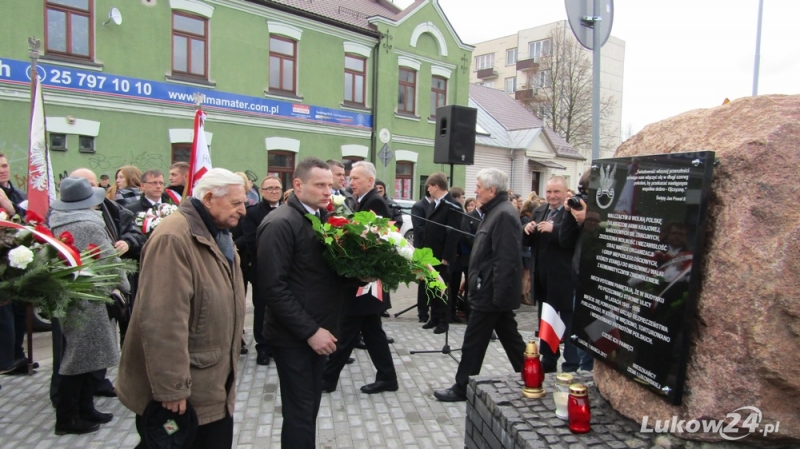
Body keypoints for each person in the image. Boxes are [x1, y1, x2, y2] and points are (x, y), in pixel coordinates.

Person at [116, 168, 247, 449]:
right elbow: (162, 321)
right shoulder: (174, 238)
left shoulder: (218, 233)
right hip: (184, 394)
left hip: (210, 385)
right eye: (237, 203)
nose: (244, 210)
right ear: (210, 198)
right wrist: (171, 389)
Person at [256, 157, 357, 449]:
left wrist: (358, 275)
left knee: (308, 407)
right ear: (298, 185)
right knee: (300, 411)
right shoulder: (280, 223)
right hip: (295, 337)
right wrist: (311, 331)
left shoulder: (322, 219)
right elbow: (273, 289)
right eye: (320, 185)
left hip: (319, 331)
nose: (329, 191)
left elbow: (321, 275)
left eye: (331, 184)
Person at [48, 168, 146, 406]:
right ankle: (72, 414)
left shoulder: (58, 221)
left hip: (74, 295)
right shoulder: (88, 224)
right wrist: (123, 285)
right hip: (92, 297)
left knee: (79, 356)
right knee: (81, 359)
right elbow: (108, 259)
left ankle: (83, 408)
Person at [433, 168, 527, 402]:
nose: (475, 191)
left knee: (474, 341)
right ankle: (532, 377)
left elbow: (506, 259)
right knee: (512, 340)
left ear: (492, 190)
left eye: (479, 186)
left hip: (492, 293)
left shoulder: (503, 214)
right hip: (490, 290)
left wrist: (496, 295)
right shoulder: (495, 211)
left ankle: (462, 386)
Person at [322, 162, 397, 395]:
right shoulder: (360, 200)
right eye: (350, 177)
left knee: (347, 331)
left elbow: (375, 243)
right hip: (362, 281)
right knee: (371, 333)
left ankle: (327, 379)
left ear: (370, 181)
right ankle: (387, 378)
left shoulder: (374, 201)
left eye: (355, 178)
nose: (350, 181)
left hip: (366, 281)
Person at [523, 176, 581, 373]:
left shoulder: (572, 212)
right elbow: (529, 243)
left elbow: (571, 240)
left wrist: (554, 229)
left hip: (564, 280)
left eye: (556, 192)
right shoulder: (539, 211)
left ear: (566, 193)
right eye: (549, 192)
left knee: (568, 323)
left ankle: (571, 364)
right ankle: (548, 359)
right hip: (543, 279)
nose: (552, 196)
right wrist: (527, 229)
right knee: (546, 321)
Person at [240, 175, 283, 366]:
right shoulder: (253, 213)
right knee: (262, 310)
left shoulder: (289, 210)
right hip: (263, 269)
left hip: (287, 270)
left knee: (282, 308)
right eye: (270, 188)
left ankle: (278, 345)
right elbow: (251, 241)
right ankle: (263, 347)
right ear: (262, 192)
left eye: (277, 188)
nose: (274, 191)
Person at [0, 153, 33, 377]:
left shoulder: (17, 193)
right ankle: (7, 359)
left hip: (20, 260)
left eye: (4, 165)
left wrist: (9, 207)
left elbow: (28, 219)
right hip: (3, 264)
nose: (2, 170)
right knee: (6, 312)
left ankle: (18, 354)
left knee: (20, 310)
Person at [421, 172, 461, 334]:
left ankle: (444, 322)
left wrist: (447, 256)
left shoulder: (452, 205)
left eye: (429, 186)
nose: (428, 190)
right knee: (431, 287)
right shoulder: (433, 203)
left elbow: (453, 234)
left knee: (443, 288)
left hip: (442, 255)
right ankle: (434, 317)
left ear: (436, 186)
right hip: (430, 255)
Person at [411, 192, 432, 323]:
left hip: (433, 250)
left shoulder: (436, 205)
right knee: (423, 282)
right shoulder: (418, 206)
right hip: (421, 249)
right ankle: (422, 313)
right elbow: (419, 228)